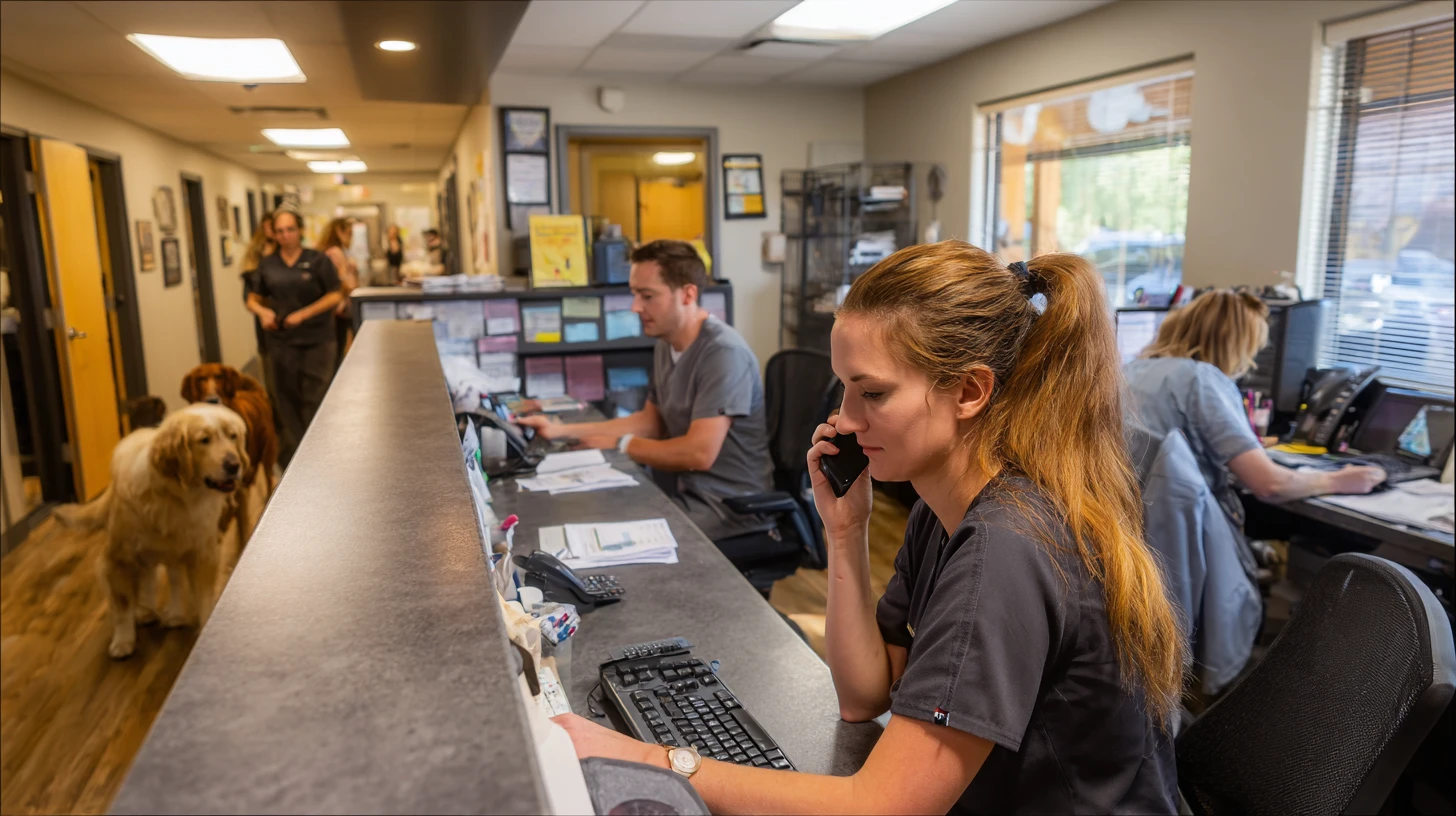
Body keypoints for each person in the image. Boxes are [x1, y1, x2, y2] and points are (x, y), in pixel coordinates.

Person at [552, 242, 1186, 814]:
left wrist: (650, 759)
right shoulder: (944, 512)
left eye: (873, 394)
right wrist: (845, 532)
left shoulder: (1007, 542)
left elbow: (882, 807)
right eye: (845, 390)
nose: (846, 420)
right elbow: (863, 696)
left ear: (969, 391)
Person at [517, 239, 773, 541]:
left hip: (729, 506)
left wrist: (619, 443)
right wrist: (560, 431)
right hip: (684, 491)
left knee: (611, 536)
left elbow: (699, 452)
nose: (635, 307)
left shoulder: (723, 353)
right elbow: (650, 423)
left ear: (688, 294)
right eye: (635, 294)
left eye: (647, 296)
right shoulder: (667, 344)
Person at [1125, 289, 1384, 529]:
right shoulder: (1200, 379)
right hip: (1178, 535)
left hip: (1130, 529)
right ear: (1233, 344)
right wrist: (1338, 480)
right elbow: (1270, 484)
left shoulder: (1129, 371)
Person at [245, 210, 342, 467]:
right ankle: (296, 462)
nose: (286, 235)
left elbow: (335, 295)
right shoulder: (268, 265)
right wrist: (263, 312)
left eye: (290, 229)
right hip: (281, 342)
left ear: (300, 230)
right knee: (285, 400)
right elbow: (252, 299)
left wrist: (304, 314)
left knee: (316, 398)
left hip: (318, 340)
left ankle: (323, 457)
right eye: (280, 231)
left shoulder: (318, 260)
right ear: (273, 234)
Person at [240, 211, 277, 399]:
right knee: (272, 379)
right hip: (268, 331)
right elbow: (249, 299)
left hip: (298, 332)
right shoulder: (254, 264)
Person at [317, 217, 359, 366]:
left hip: (336, 308)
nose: (350, 238)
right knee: (338, 350)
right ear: (339, 232)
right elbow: (343, 282)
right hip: (339, 308)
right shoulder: (335, 253)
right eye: (348, 233)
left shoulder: (329, 252)